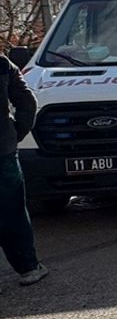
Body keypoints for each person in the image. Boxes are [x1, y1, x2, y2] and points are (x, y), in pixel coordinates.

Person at [1, 52, 46, 285]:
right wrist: (16, 132)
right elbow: (27, 101)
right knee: (12, 211)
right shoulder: (2, 64)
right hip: (2, 150)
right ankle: (28, 268)